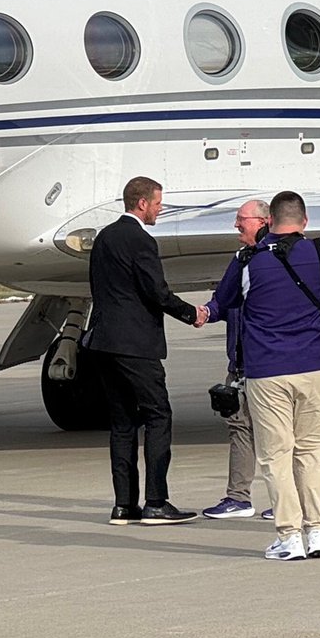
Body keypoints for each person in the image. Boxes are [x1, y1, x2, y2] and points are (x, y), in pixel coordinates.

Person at [206, 191, 320, 560]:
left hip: (267, 370)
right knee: (313, 450)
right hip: (315, 366)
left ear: (269, 222)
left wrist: (200, 312)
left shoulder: (247, 260)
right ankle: (318, 532)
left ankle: (290, 536)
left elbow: (223, 302)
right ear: (304, 220)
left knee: (276, 456)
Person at [84, 176, 205, 525]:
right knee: (157, 415)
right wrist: (190, 313)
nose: (160, 208)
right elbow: (157, 292)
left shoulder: (104, 237)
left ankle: (123, 505)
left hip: (104, 342)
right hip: (135, 345)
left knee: (122, 423)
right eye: (157, 202)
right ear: (142, 204)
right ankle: (156, 501)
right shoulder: (141, 241)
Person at [201, 199, 273, 521]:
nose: (236, 225)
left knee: (279, 433)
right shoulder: (241, 258)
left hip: (271, 364)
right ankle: (238, 498)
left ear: (263, 221)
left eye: (241, 219)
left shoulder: (278, 258)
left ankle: (288, 500)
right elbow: (224, 300)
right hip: (241, 363)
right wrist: (203, 313)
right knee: (239, 427)